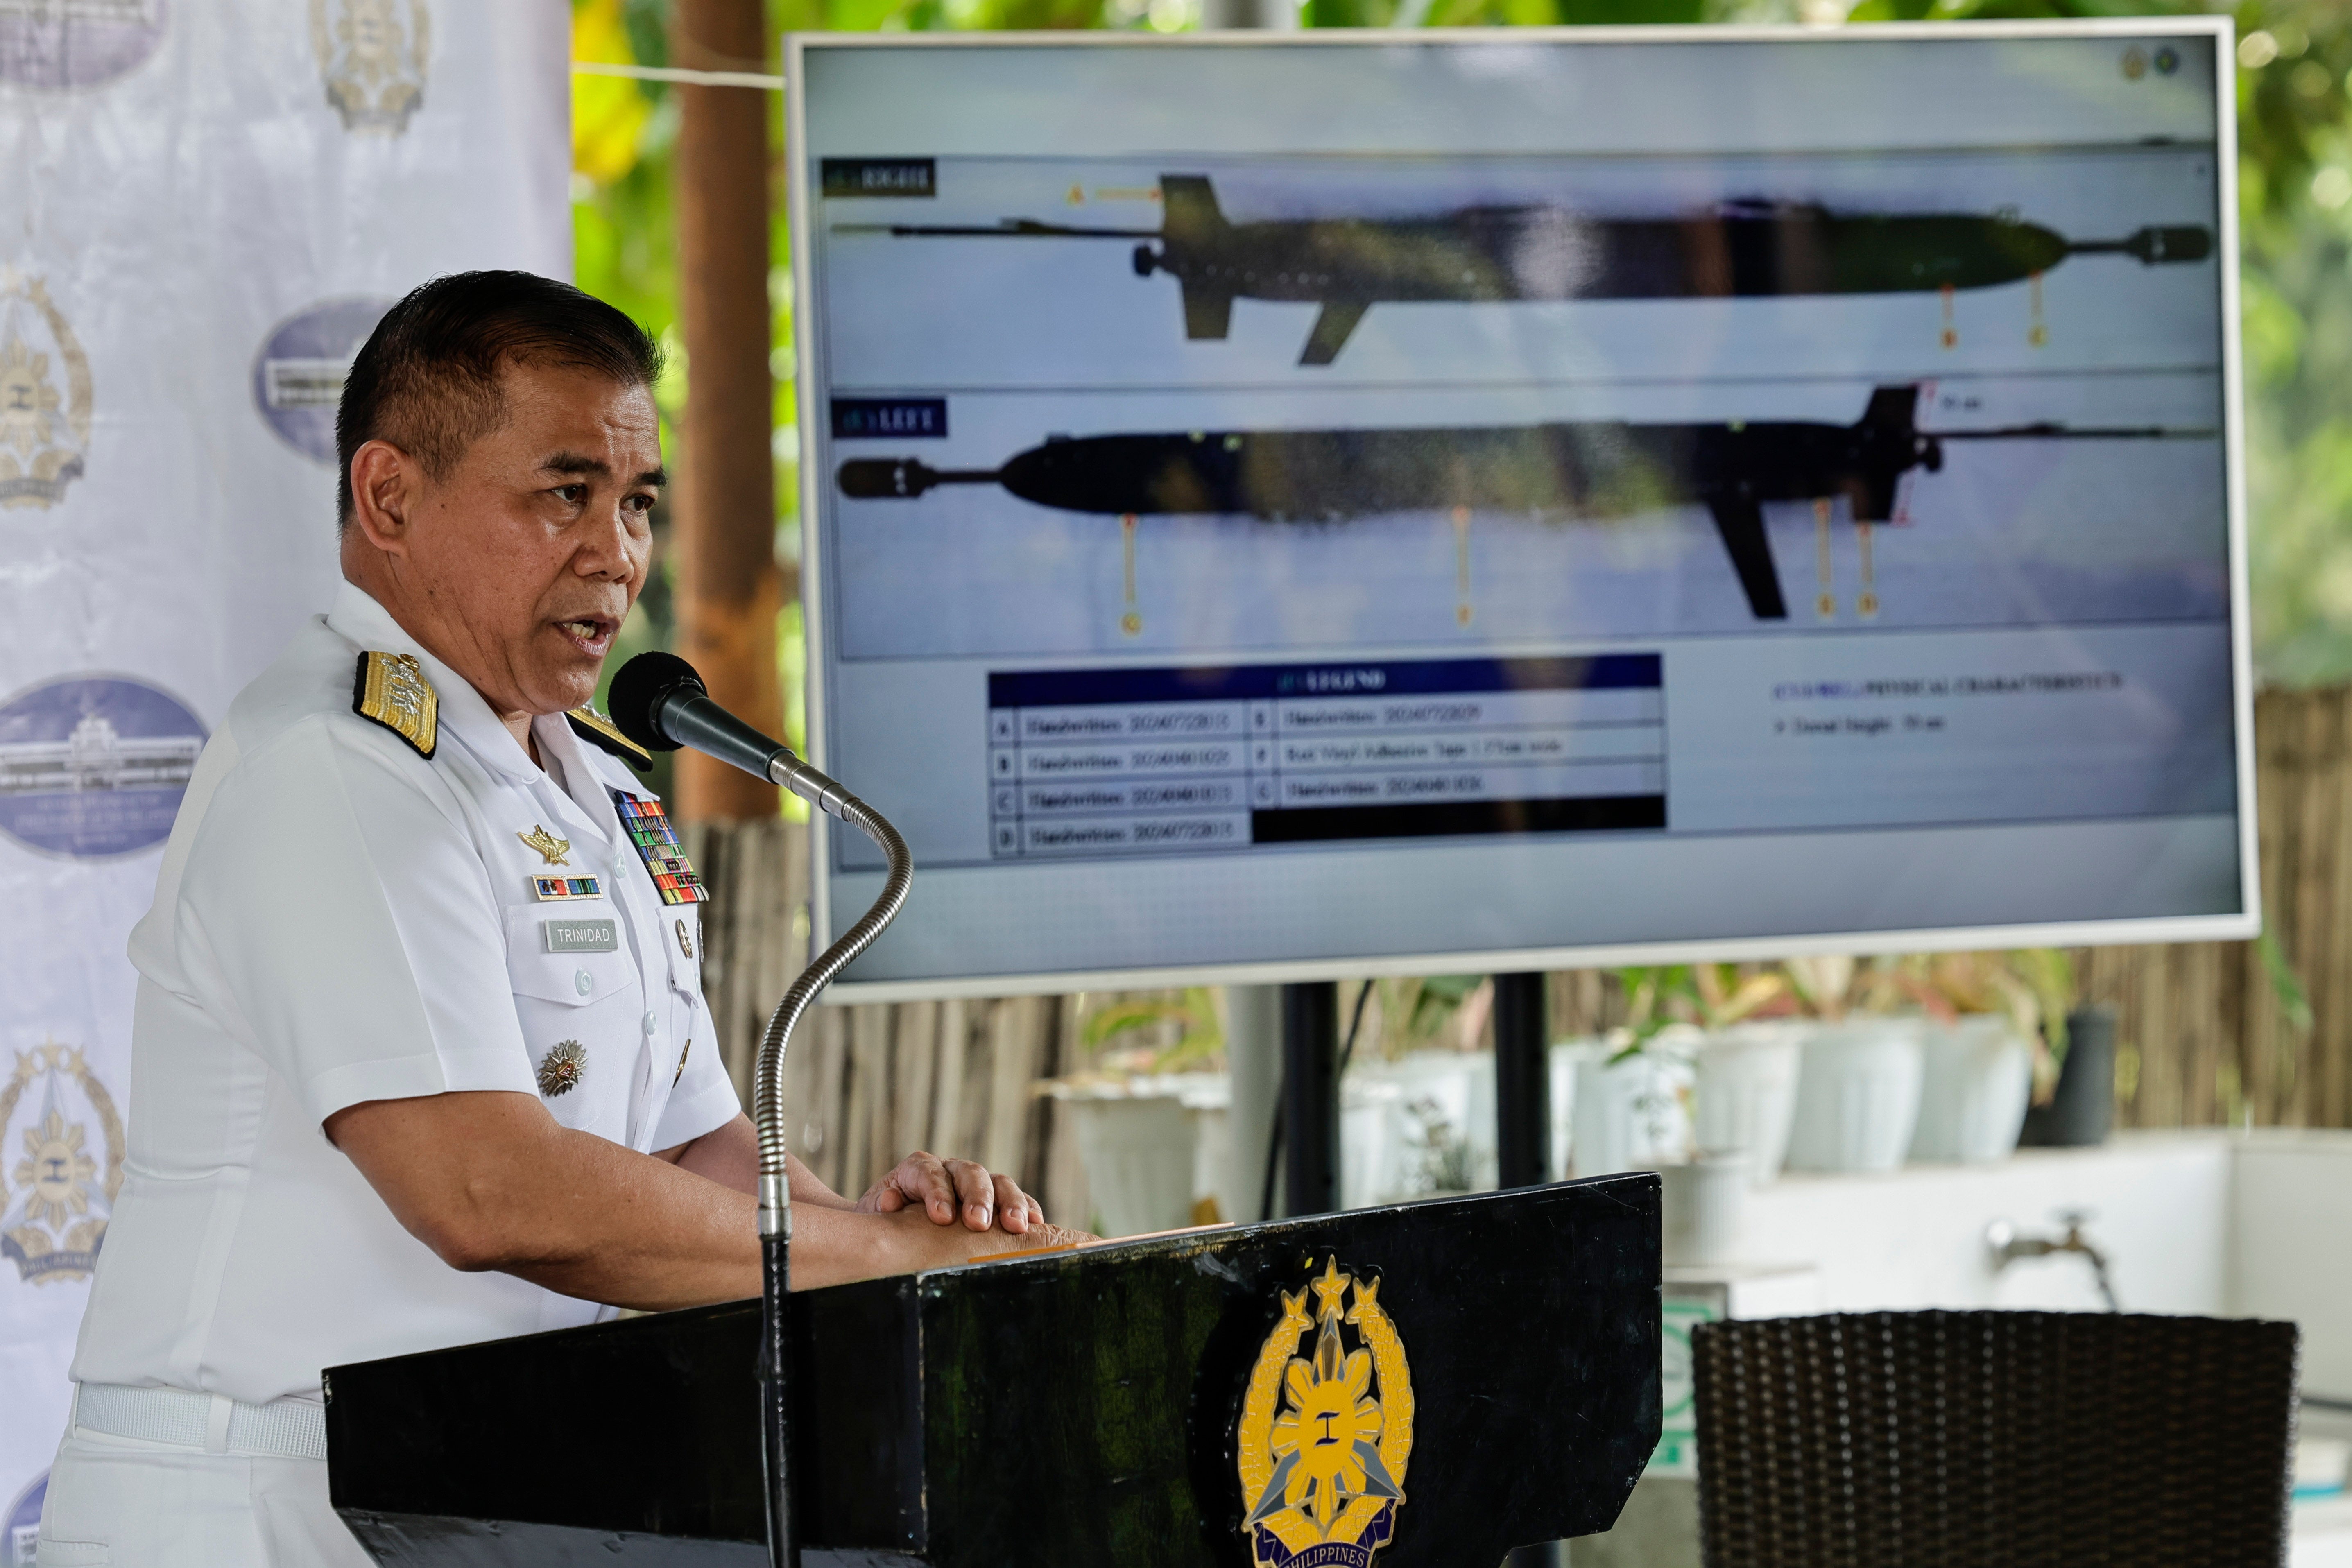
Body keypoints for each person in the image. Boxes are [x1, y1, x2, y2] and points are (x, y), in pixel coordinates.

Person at [37, 272, 1080, 1568]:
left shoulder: (593, 788)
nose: (618, 551)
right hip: (258, 1501)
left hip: (484, 1490)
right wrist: (869, 1256)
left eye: (636, 502)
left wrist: (875, 1237)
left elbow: (696, 1146)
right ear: (389, 497)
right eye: (563, 493)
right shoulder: (332, 767)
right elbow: (485, 1189)